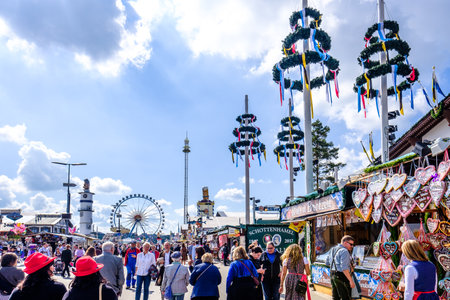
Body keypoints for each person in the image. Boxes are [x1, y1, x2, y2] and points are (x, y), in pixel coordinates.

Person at [325, 235, 356, 300]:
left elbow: (327, 263)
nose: (352, 246)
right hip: (341, 275)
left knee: (335, 297)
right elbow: (344, 268)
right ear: (345, 243)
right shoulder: (344, 251)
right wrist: (351, 281)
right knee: (345, 297)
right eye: (351, 244)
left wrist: (335, 265)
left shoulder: (332, 249)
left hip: (332, 274)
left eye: (353, 245)